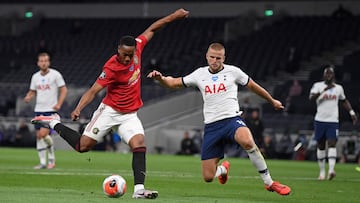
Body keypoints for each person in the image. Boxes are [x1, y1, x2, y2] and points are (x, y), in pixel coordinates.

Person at [31, 8, 189, 199]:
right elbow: (93, 91)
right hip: (109, 111)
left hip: (129, 115)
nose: (129, 58)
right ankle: (53, 122)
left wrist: (174, 17)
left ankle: (139, 190)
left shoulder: (137, 47)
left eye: (131, 55)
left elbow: (153, 29)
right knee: (83, 146)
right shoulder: (111, 67)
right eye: (125, 55)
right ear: (118, 51)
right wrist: (79, 108)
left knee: (139, 144)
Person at [147, 43, 291, 195]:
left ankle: (269, 182)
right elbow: (174, 83)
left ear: (224, 58)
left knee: (248, 141)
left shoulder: (233, 72)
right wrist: (161, 79)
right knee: (208, 177)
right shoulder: (199, 74)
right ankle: (222, 169)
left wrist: (272, 100)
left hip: (231, 120)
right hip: (211, 127)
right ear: (206, 57)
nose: (215, 61)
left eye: (218, 58)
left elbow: (253, 86)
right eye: (212, 57)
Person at [309, 64, 358, 180]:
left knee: (332, 143)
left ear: (333, 76)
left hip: (333, 121)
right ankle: (322, 172)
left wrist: (352, 113)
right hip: (320, 120)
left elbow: (344, 101)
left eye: (330, 74)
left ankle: (331, 170)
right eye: (327, 73)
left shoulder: (338, 88)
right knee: (321, 145)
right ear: (324, 75)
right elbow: (311, 99)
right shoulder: (318, 86)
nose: (328, 75)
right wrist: (323, 91)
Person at [24, 52, 68, 169]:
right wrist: (29, 96)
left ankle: (52, 159)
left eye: (46, 61)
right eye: (41, 61)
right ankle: (43, 162)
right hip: (38, 109)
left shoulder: (55, 75)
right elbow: (32, 90)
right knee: (39, 136)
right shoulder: (35, 77)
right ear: (38, 63)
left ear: (49, 62)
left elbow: (64, 90)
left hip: (50, 110)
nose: (43, 63)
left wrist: (59, 103)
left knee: (44, 134)